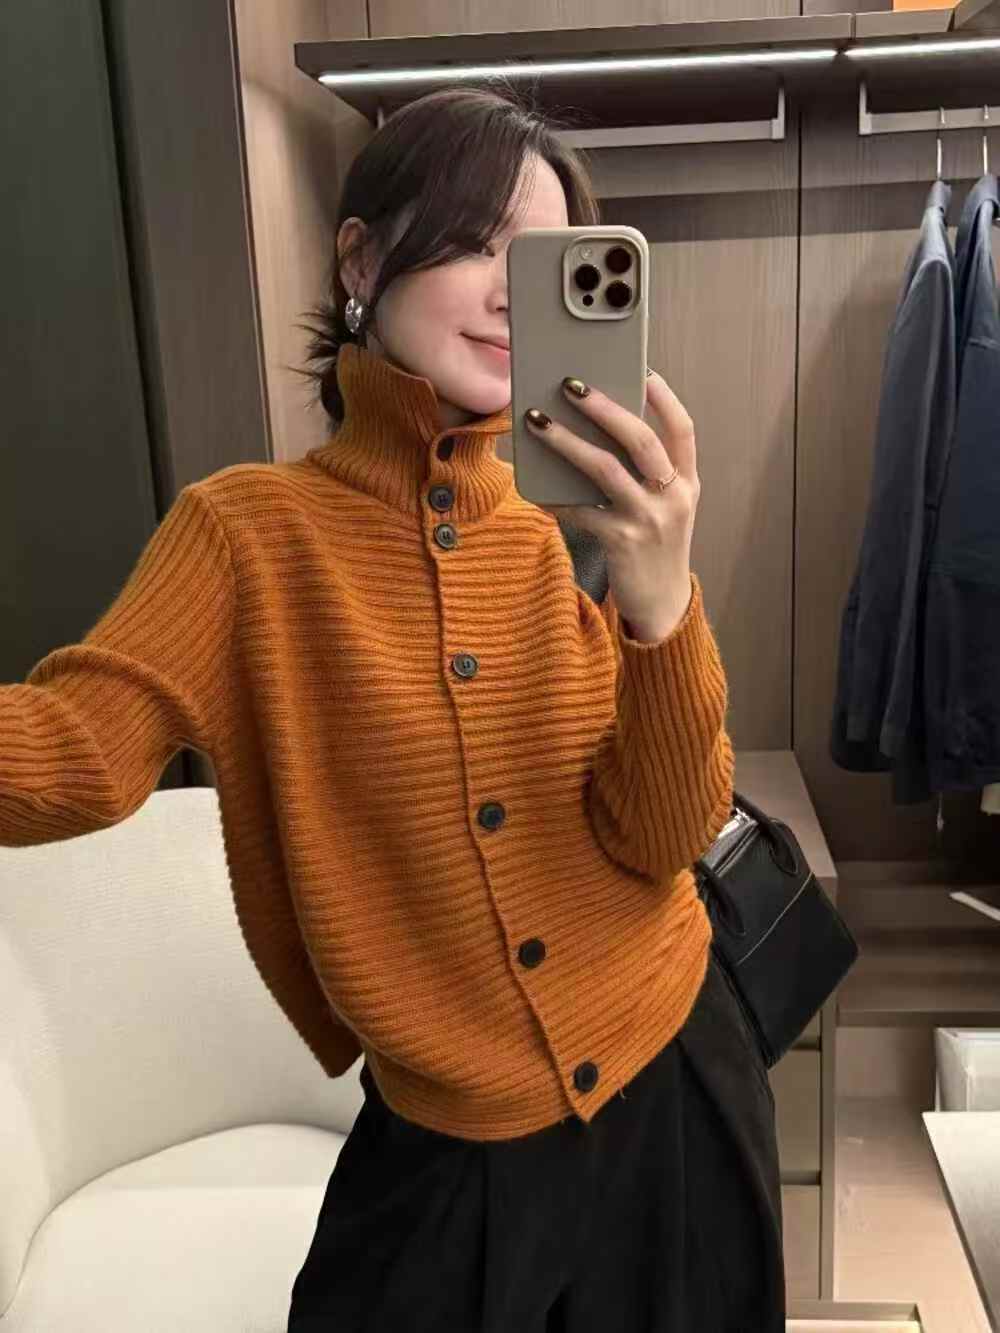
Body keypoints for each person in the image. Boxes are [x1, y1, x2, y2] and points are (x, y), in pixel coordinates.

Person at [0, 84, 784, 1331]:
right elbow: (76, 752)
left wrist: (663, 605)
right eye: (478, 242)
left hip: (675, 1076)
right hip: (443, 1139)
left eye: (545, 262)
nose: (511, 293)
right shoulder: (245, 536)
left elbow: (664, 830)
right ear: (360, 260)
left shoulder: (581, 526)